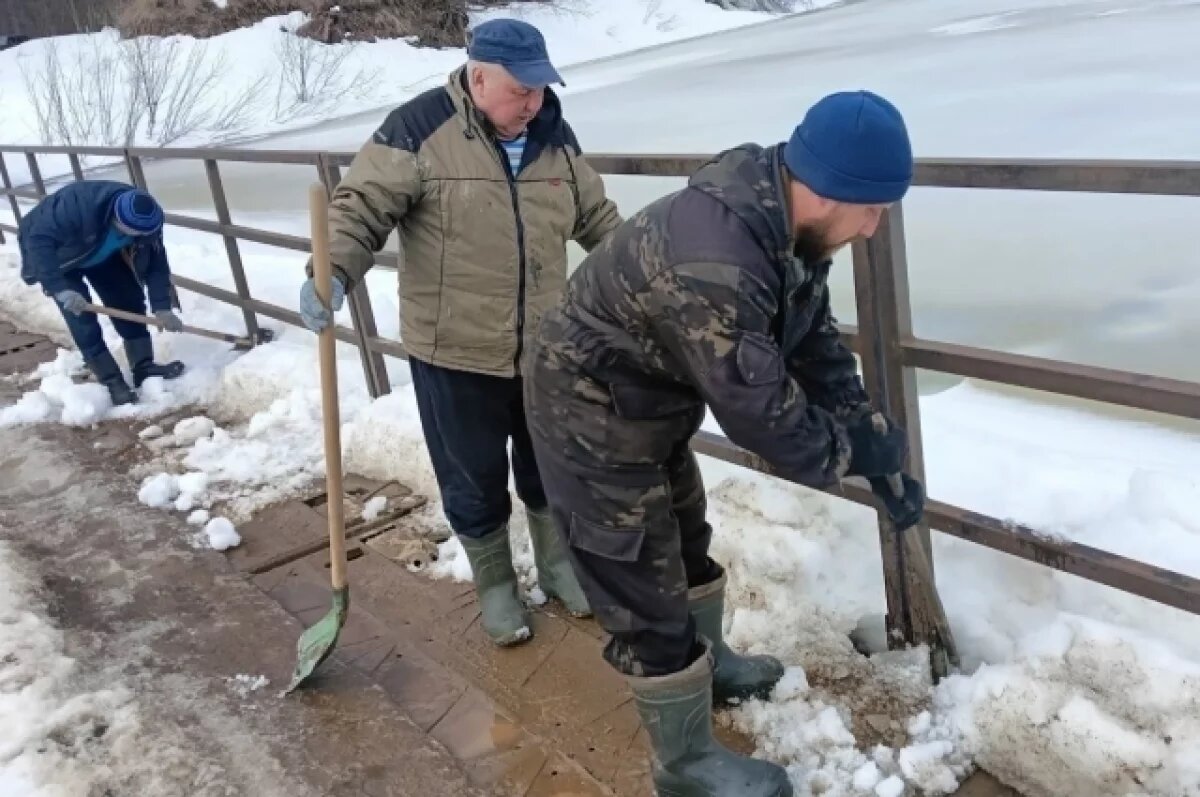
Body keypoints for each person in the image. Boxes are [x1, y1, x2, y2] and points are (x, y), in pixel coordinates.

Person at [522, 90, 926, 795]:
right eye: (875, 209)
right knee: (642, 580)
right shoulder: (719, 259)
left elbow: (810, 343)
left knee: (684, 534)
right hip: (587, 409)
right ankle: (684, 765)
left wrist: (869, 433)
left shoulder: (782, 217)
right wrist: (849, 457)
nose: (875, 228)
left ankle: (708, 663)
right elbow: (762, 413)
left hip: (649, 394)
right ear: (834, 192)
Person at [298, 18, 622, 646]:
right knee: (472, 477)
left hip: (545, 345)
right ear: (478, 77)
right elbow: (360, 207)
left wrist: (643, 273)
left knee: (551, 467)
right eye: (520, 90)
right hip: (454, 350)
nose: (533, 104)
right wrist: (331, 271)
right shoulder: (418, 129)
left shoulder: (554, 136)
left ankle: (557, 568)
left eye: (540, 90)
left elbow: (596, 218)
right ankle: (497, 587)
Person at [18, 180, 185, 406]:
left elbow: (156, 264)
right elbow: (38, 243)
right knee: (82, 319)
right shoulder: (75, 208)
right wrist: (59, 289)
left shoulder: (149, 221)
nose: (134, 236)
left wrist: (162, 306)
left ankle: (143, 367)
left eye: (138, 234)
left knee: (128, 300)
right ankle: (112, 382)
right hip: (60, 260)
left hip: (100, 253)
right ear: (115, 217)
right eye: (129, 231)